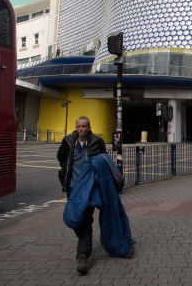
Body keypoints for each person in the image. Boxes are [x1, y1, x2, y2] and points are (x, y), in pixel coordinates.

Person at [57, 116, 106, 275]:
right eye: (79, 126)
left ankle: (82, 255)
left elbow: (102, 160)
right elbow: (61, 157)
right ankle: (84, 244)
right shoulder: (68, 141)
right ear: (76, 127)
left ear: (89, 127)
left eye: (84, 126)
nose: (81, 129)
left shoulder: (97, 142)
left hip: (90, 187)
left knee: (85, 218)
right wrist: (65, 173)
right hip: (73, 187)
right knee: (74, 218)